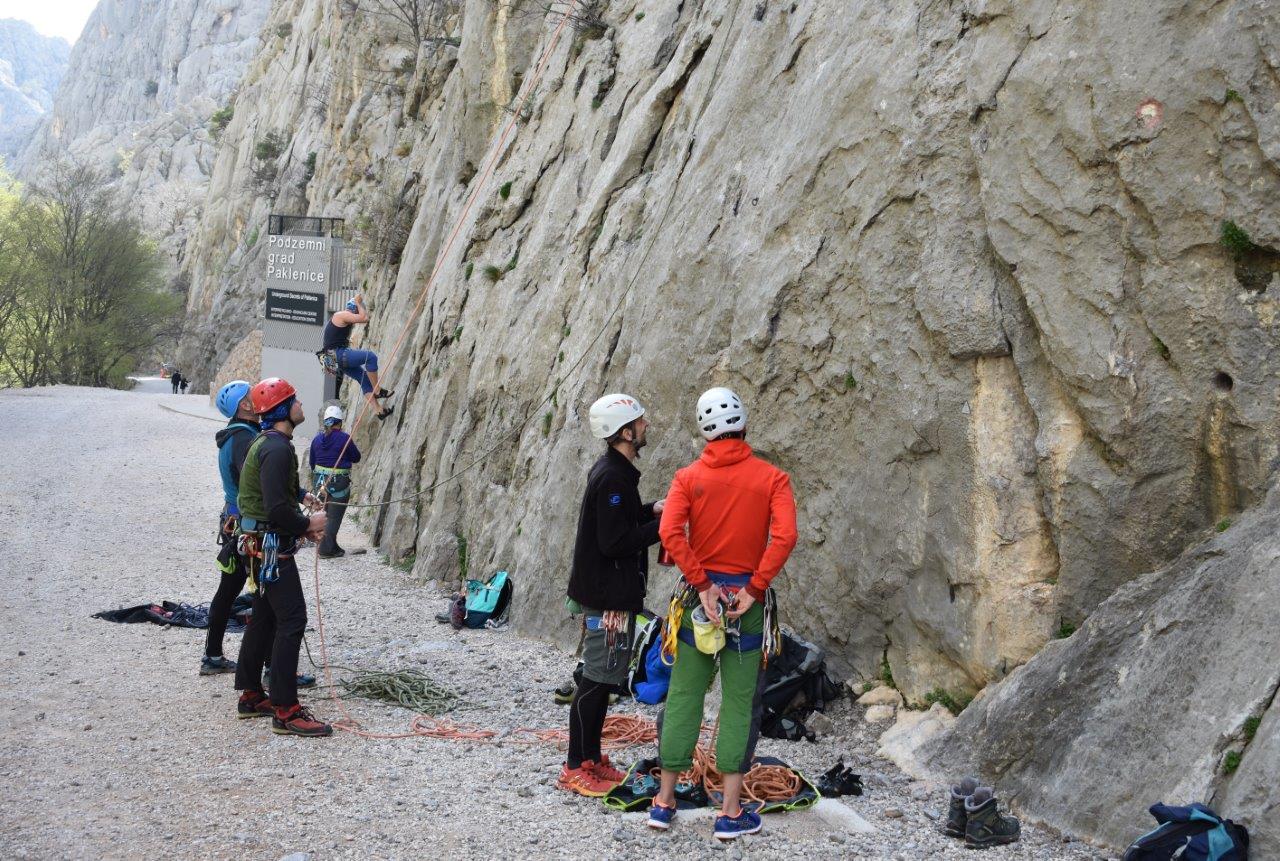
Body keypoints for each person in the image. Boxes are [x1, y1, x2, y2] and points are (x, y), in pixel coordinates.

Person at [648, 387, 798, 840]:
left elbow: (670, 532)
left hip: (699, 603)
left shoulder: (687, 478)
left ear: (703, 430)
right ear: (744, 424)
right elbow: (785, 537)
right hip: (747, 607)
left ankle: (663, 802)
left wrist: (704, 585)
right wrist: (753, 588)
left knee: (685, 696)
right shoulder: (773, 479)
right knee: (736, 703)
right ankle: (730, 812)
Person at [559, 393, 665, 797]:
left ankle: (590, 758)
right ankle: (574, 765)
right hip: (605, 598)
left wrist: (654, 508)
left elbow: (623, 520)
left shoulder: (616, 471)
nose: (645, 426)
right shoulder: (613, 477)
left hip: (608, 593)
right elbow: (614, 541)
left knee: (602, 680)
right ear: (625, 432)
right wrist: (664, 524)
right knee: (594, 680)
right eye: (639, 421)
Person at [233, 377, 332, 737]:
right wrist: (308, 524)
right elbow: (276, 508)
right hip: (271, 548)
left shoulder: (268, 443)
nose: (301, 405)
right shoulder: (277, 449)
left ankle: (251, 694)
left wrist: (303, 496)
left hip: (259, 547)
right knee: (292, 620)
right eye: (295, 400)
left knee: (264, 618)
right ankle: (286, 711)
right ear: (282, 410)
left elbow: (274, 491)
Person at [200, 380, 259, 675]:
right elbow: (255, 479)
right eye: (252, 394)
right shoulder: (244, 440)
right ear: (245, 406)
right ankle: (271, 667)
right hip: (246, 527)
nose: (258, 395)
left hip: (233, 522)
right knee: (268, 594)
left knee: (228, 591)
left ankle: (212, 655)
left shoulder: (236, 436)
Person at [322, 294, 394, 420]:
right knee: (370, 357)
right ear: (354, 309)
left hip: (332, 358)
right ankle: (377, 389)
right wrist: (358, 302)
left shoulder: (342, 318)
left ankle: (379, 411)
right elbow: (364, 318)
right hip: (336, 354)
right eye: (357, 310)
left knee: (363, 378)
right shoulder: (341, 314)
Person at [309, 404, 361, 558]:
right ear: (340, 422)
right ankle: (325, 549)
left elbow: (312, 462)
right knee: (334, 516)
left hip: (319, 481)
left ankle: (331, 543)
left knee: (323, 512)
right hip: (339, 482)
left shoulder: (317, 439)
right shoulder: (344, 438)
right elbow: (356, 457)